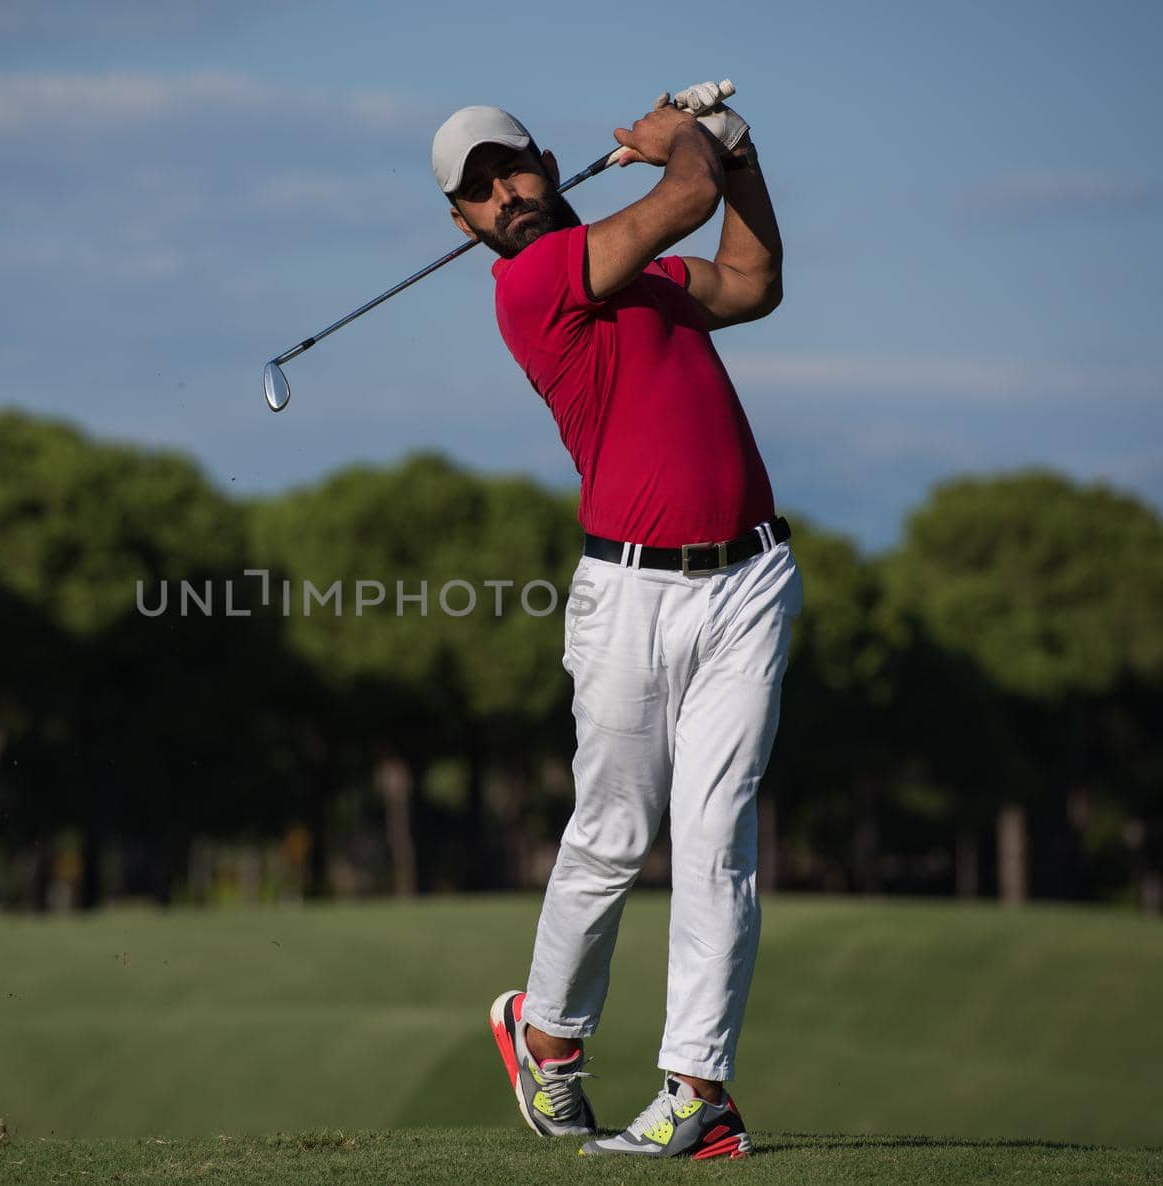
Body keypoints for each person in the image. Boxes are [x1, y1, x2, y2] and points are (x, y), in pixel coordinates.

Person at [430, 87, 800, 1160]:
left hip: (749, 583)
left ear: (545, 161)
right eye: (478, 189)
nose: (505, 193)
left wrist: (742, 157)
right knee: (611, 836)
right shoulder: (535, 280)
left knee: (718, 843)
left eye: (512, 167)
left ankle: (698, 1092)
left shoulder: (634, 275)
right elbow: (680, 195)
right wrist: (686, 150)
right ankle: (546, 1039)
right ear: (463, 224)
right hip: (629, 596)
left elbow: (755, 282)